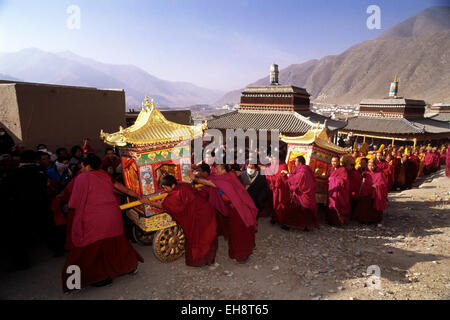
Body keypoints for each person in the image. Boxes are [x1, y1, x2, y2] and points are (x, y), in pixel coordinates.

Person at [62, 154, 144, 292]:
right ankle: (129, 267)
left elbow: (74, 202)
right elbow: (123, 189)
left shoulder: (82, 178)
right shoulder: (104, 175)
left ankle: (76, 282)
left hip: (94, 219)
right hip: (112, 216)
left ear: (87, 166)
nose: (81, 169)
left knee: (88, 250)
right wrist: (140, 197)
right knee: (116, 244)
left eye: (82, 166)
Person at [6, 150, 64, 271]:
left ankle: (22, 262)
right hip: (41, 205)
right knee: (48, 230)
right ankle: (58, 249)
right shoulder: (40, 172)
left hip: (21, 208)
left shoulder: (14, 173)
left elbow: (7, 190)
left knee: (17, 236)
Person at [190, 164, 258, 263]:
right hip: (233, 208)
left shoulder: (226, 179)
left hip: (238, 209)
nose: (215, 171)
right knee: (238, 231)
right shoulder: (223, 177)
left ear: (223, 170)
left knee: (239, 232)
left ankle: (242, 255)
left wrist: (195, 178)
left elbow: (210, 183)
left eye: (217, 169)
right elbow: (210, 179)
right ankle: (248, 247)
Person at [147, 175, 218, 267]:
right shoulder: (183, 186)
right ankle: (210, 259)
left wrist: (148, 202)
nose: (165, 190)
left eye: (166, 187)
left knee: (201, 238)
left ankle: (203, 261)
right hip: (207, 211)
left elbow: (164, 205)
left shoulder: (175, 194)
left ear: (173, 186)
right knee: (208, 236)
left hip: (200, 215)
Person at [283, 156, 319, 231]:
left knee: (296, 210)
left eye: (295, 161)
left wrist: (288, 175)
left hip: (302, 194)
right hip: (308, 194)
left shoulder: (303, 171)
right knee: (306, 212)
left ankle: (290, 225)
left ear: (299, 162)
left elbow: (296, 180)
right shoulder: (307, 169)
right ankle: (306, 226)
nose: (294, 163)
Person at [352, 159, 388, 223]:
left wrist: (376, 186)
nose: (371, 167)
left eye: (372, 166)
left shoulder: (379, 173)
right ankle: (364, 219)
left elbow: (382, 184)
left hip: (375, 192)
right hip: (366, 191)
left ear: (375, 166)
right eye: (369, 165)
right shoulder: (366, 173)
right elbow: (363, 183)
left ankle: (374, 219)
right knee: (364, 203)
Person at [326, 155, 352, 226]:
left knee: (337, 205)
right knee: (331, 205)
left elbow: (344, 180)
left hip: (339, 192)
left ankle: (339, 222)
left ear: (338, 162)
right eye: (332, 161)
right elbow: (327, 177)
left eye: (335, 161)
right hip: (332, 190)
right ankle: (331, 221)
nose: (333, 163)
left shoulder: (342, 170)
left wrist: (332, 179)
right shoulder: (330, 169)